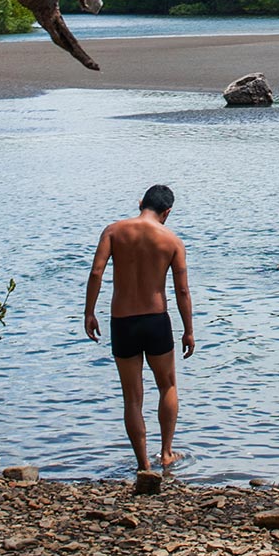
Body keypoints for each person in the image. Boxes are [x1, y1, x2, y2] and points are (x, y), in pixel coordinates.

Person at [84, 184, 195, 475]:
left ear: (140, 203)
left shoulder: (113, 231)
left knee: (132, 397)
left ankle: (143, 464)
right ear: (167, 212)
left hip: (123, 322)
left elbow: (96, 272)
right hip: (156, 320)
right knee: (167, 385)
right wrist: (188, 330)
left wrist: (89, 312)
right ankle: (167, 453)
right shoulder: (172, 241)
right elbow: (182, 290)